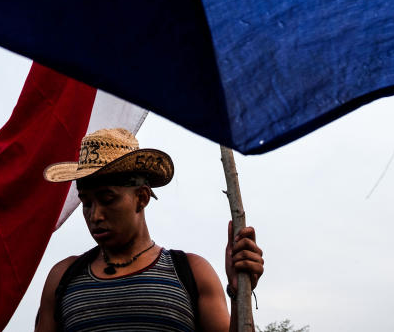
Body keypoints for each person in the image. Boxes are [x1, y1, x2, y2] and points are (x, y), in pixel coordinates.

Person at [34, 128, 265, 332]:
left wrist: (238, 294)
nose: (95, 215)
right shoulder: (63, 278)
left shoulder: (191, 273)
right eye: (87, 203)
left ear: (141, 197)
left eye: (107, 199)